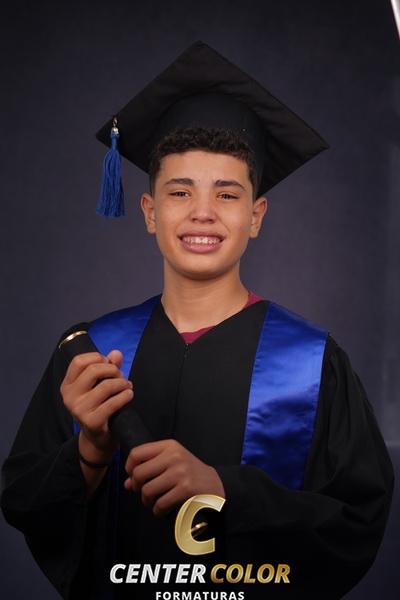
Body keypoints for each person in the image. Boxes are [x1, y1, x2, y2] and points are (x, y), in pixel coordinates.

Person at [1, 40, 394, 600]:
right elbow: (26, 504)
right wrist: (89, 453)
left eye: (227, 195)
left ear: (256, 215)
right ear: (150, 212)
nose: (203, 213)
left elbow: (356, 525)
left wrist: (224, 491)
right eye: (180, 191)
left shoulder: (311, 363)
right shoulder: (92, 354)